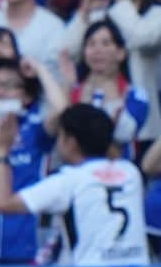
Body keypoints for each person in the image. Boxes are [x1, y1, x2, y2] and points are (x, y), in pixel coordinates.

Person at [0, 103, 150, 267]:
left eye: (60, 136)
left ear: (71, 142)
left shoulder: (68, 181)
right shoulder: (131, 173)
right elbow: (110, 156)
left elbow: (4, 203)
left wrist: (2, 150)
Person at [0, 56, 65, 264]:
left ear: (27, 96)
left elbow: (62, 110)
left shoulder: (34, 128)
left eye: (13, 86)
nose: (3, 92)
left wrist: (39, 68)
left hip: (27, 239)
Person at [59, 21, 150, 163]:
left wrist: (113, 97)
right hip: (77, 171)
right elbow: (60, 131)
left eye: (106, 44)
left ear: (121, 53)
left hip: (119, 170)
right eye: (91, 44)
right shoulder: (74, 90)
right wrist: (67, 87)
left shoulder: (136, 95)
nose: (97, 50)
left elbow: (125, 134)